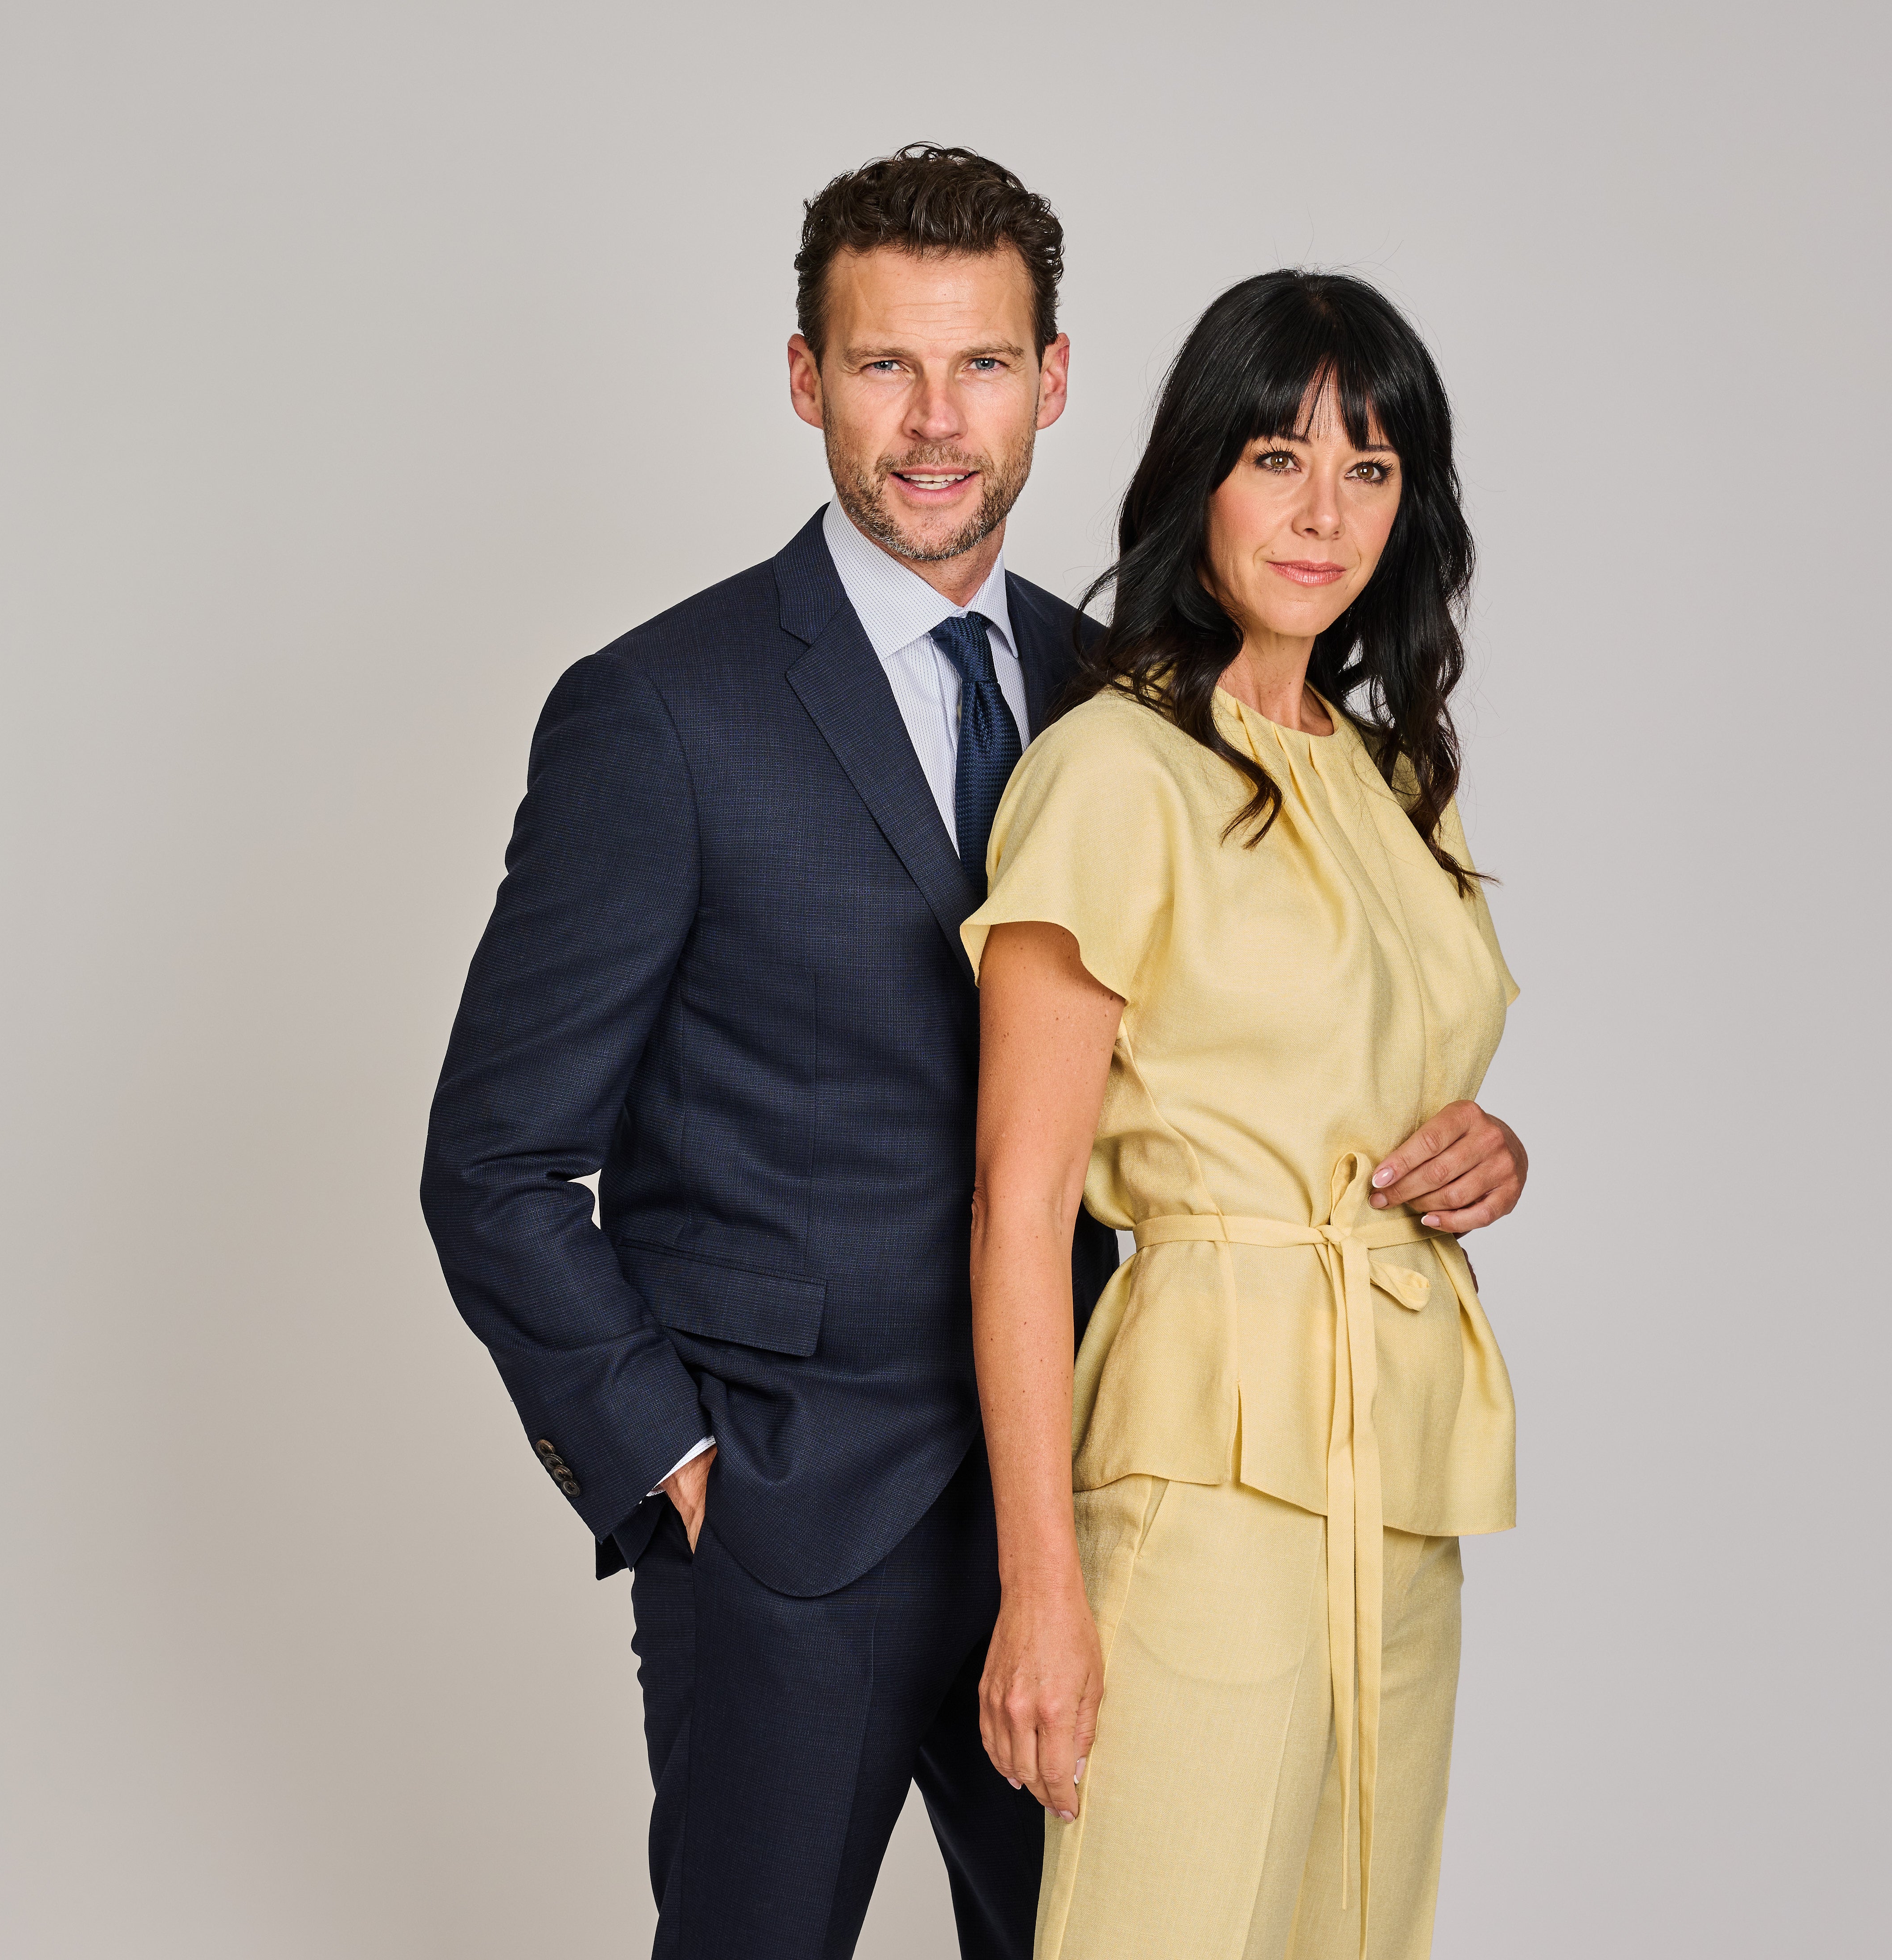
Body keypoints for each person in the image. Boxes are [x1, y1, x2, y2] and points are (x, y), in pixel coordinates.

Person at [418, 146, 1120, 1960]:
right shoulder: (662, 711)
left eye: (981, 364)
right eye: (886, 364)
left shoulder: (1122, 699)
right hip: (784, 1529)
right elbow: (494, 1163)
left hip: (1081, 1516)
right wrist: (674, 1466)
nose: (937, 421)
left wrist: (1446, 1143)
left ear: (1052, 379)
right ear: (807, 378)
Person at [963, 270, 1531, 1960]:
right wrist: (1041, 1592)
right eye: (1279, 457)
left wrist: (1488, 1146)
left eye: (1370, 469)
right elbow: (1017, 1206)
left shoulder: (1392, 778)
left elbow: (1384, 1068)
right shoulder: (1113, 771)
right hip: (1205, 1464)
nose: (1324, 512)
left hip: (1399, 1469)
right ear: (1200, 476)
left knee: (1357, 1934)